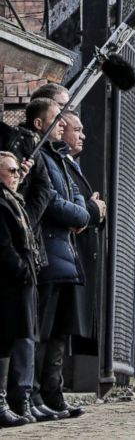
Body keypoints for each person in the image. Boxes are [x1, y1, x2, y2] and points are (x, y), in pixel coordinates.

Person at [30, 98, 89, 420]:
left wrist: (81, 213)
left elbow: (75, 197)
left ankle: (54, 393)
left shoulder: (61, 159)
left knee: (60, 331)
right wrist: (84, 214)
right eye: (60, 122)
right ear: (42, 124)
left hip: (65, 255)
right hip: (50, 256)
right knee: (42, 330)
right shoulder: (39, 156)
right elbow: (54, 202)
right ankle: (34, 394)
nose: (64, 129)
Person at [0, 152, 44, 427]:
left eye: (18, 170)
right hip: (9, 284)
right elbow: (4, 246)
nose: (16, 175)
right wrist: (23, 270)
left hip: (20, 283)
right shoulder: (3, 205)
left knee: (14, 339)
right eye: (11, 171)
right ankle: (4, 400)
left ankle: (8, 399)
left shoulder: (14, 200)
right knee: (4, 340)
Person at [60, 112, 107, 357]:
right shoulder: (59, 163)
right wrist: (91, 209)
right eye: (76, 130)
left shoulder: (71, 163)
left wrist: (93, 211)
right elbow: (62, 205)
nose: (83, 135)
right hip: (66, 253)